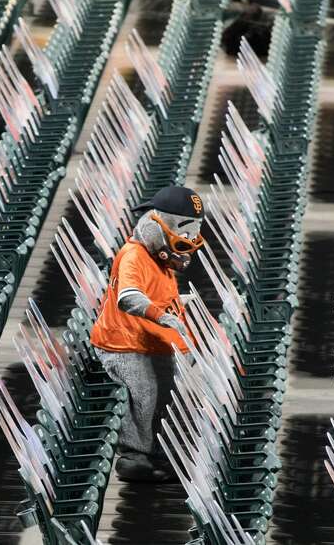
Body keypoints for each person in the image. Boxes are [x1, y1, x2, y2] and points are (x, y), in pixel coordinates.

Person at [89, 186, 205, 482]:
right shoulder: (134, 256)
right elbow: (128, 296)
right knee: (145, 388)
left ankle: (157, 447)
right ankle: (133, 455)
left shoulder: (160, 262)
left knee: (168, 390)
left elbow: (162, 298)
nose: (189, 241)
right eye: (184, 232)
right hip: (121, 343)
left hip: (148, 340)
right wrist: (161, 315)